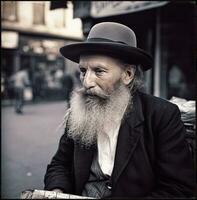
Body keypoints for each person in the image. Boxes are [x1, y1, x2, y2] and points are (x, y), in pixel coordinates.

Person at [44, 22, 195, 198]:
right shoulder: (78, 113)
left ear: (128, 75)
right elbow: (60, 164)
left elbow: (178, 188)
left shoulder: (162, 115)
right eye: (83, 71)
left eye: (99, 71)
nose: (86, 82)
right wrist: (57, 191)